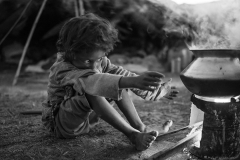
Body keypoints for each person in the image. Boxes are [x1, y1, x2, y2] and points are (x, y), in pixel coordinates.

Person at [42, 13, 178, 151]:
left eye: (99, 59)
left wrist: (154, 91)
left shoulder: (97, 60)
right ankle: (132, 135)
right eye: (88, 61)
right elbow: (94, 81)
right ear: (70, 52)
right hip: (62, 124)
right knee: (93, 87)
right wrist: (131, 81)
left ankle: (140, 128)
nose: (94, 67)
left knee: (115, 79)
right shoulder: (62, 68)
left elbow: (120, 74)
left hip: (88, 120)